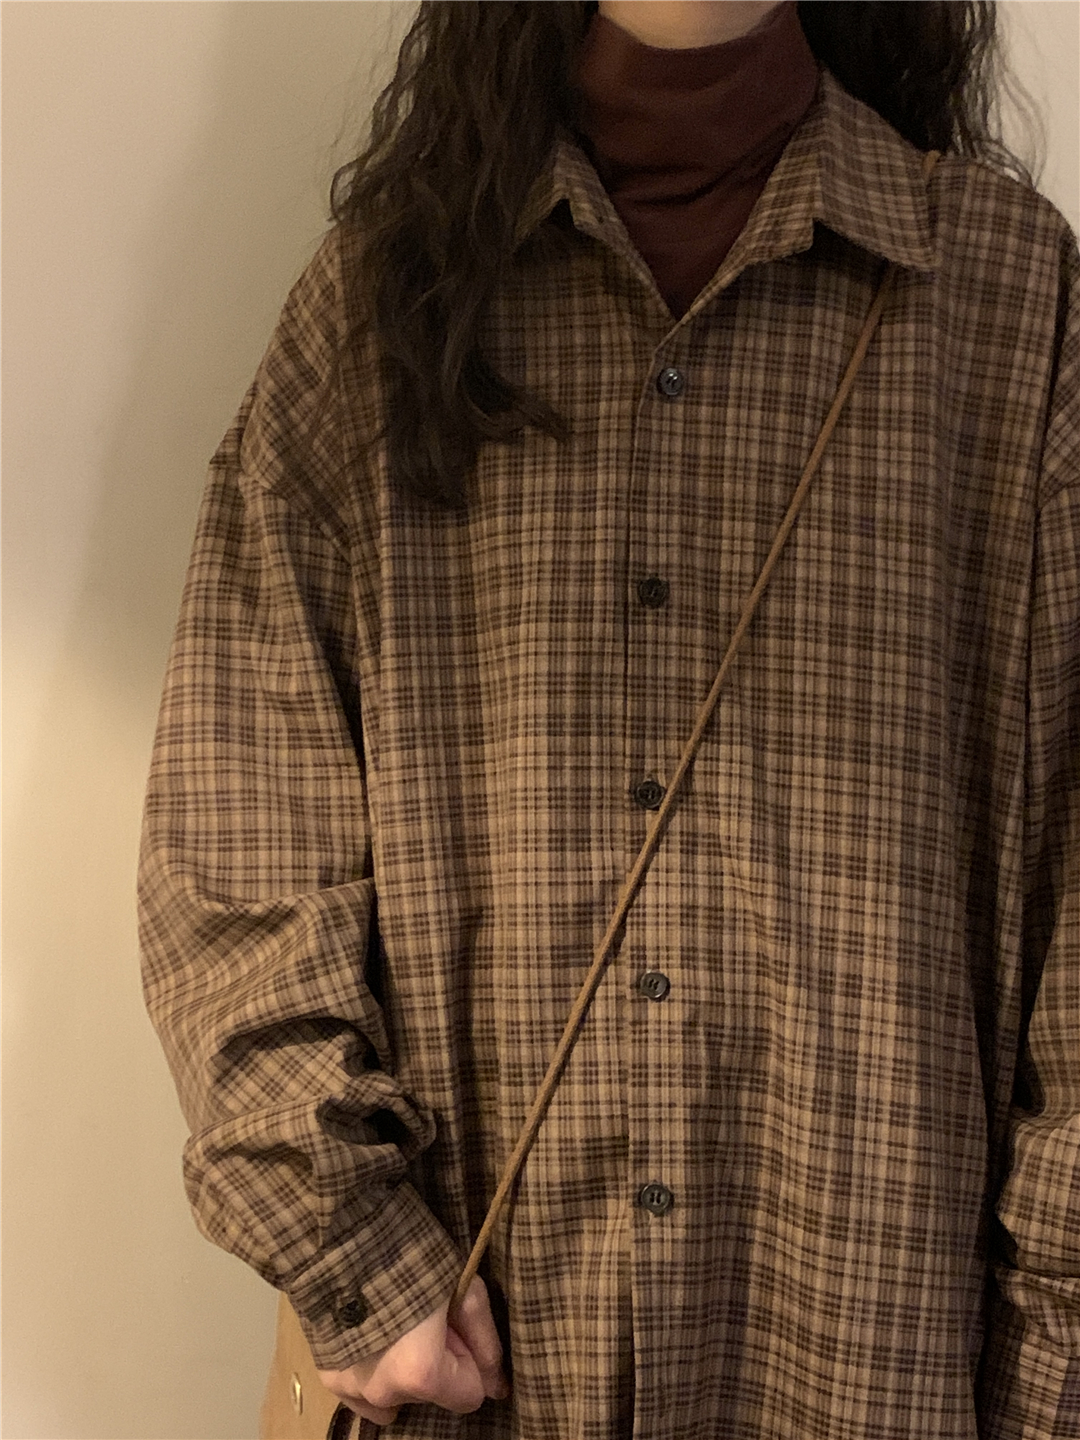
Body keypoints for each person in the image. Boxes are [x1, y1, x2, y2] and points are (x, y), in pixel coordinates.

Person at [137, 2, 1079, 1437]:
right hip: (488, 1368)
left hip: (870, 1353)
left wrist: (1053, 1364)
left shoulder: (1013, 307)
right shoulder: (381, 307)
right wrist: (356, 1250)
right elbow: (239, 819)